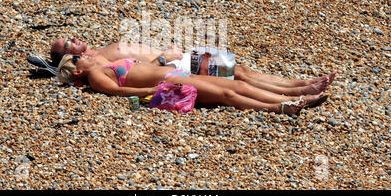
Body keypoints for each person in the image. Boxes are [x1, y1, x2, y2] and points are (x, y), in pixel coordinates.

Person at [56, 53, 329, 115]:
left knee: (235, 85)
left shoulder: (101, 65)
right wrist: (151, 91)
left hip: (175, 76)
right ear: (78, 71)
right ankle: (285, 107)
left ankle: (291, 94)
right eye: (78, 58)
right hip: (169, 84)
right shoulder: (94, 77)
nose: (85, 55)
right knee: (226, 94)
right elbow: (117, 91)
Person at [50, 37, 336, 96]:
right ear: (70, 60)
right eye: (68, 44)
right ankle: (297, 89)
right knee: (237, 76)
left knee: (240, 70)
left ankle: (296, 84)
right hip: (176, 64)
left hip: (180, 57)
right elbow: (136, 73)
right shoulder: (99, 64)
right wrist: (164, 57)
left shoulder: (100, 50)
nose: (74, 39)